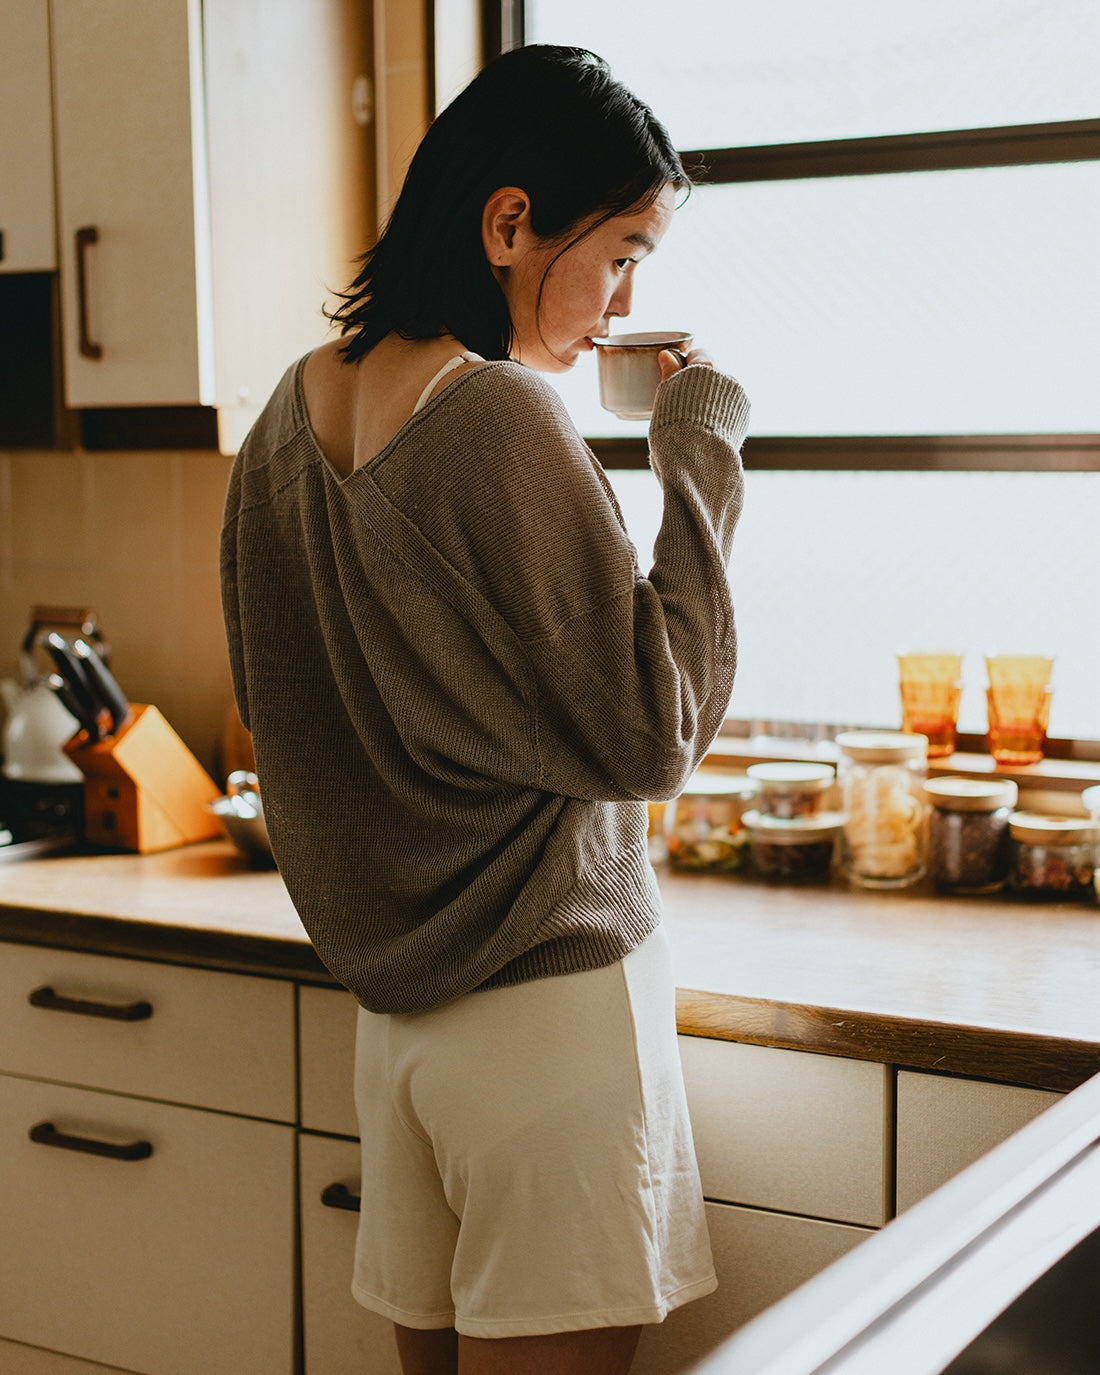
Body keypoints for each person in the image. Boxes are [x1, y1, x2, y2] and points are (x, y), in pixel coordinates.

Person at [221, 43, 749, 1375]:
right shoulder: (499, 413)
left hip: (399, 1030)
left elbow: (285, 711)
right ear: (509, 224)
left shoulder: (290, 413)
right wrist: (701, 456)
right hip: (548, 1018)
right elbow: (651, 733)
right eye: (619, 253)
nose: (625, 299)